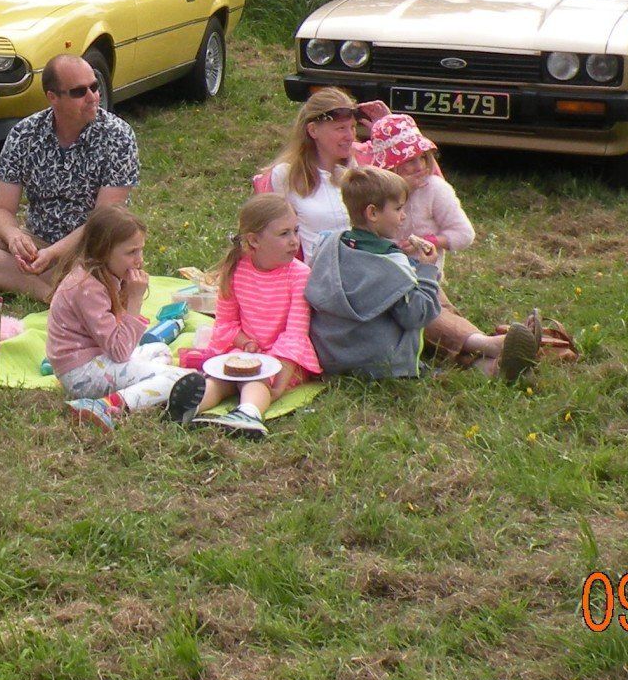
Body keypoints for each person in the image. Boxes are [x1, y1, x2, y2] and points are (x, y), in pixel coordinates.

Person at [306, 166, 540, 382]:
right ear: (373, 213)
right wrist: (427, 270)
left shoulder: (329, 246)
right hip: (380, 364)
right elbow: (419, 316)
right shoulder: (391, 263)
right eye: (398, 209)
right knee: (426, 290)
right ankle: (490, 348)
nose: (403, 216)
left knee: (419, 286)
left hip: (334, 356)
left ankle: (489, 364)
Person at [0, 54, 140, 303]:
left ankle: (50, 285)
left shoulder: (118, 136)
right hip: (38, 245)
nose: (92, 97)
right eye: (79, 92)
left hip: (91, 250)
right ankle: (49, 293)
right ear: (53, 97)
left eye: (94, 86)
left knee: (104, 271)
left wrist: (53, 254)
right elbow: (1, 210)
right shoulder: (25, 134)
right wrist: (15, 238)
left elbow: (102, 221)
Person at [46, 205, 206, 431]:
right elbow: (120, 351)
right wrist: (135, 299)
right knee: (182, 378)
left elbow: (118, 343)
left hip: (97, 359)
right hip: (81, 374)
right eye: (131, 252)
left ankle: (143, 387)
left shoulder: (103, 274)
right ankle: (107, 405)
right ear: (103, 251)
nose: (139, 260)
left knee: (160, 350)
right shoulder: (87, 288)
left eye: (141, 250)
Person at [193, 192, 323, 439]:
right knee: (221, 378)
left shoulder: (299, 275)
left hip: (284, 362)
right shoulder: (236, 269)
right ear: (254, 240)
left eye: (295, 231)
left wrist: (278, 387)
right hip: (245, 353)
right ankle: (190, 407)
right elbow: (226, 323)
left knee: (256, 380)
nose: (294, 241)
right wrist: (245, 343)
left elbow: (295, 334)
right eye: (284, 234)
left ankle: (248, 414)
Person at [259, 88, 376, 252]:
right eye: (341, 128)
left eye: (353, 127)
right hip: (319, 266)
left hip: (366, 263)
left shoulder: (361, 167)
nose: (350, 136)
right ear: (313, 130)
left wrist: (388, 126)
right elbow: (269, 235)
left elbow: (410, 174)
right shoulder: (287, 175)